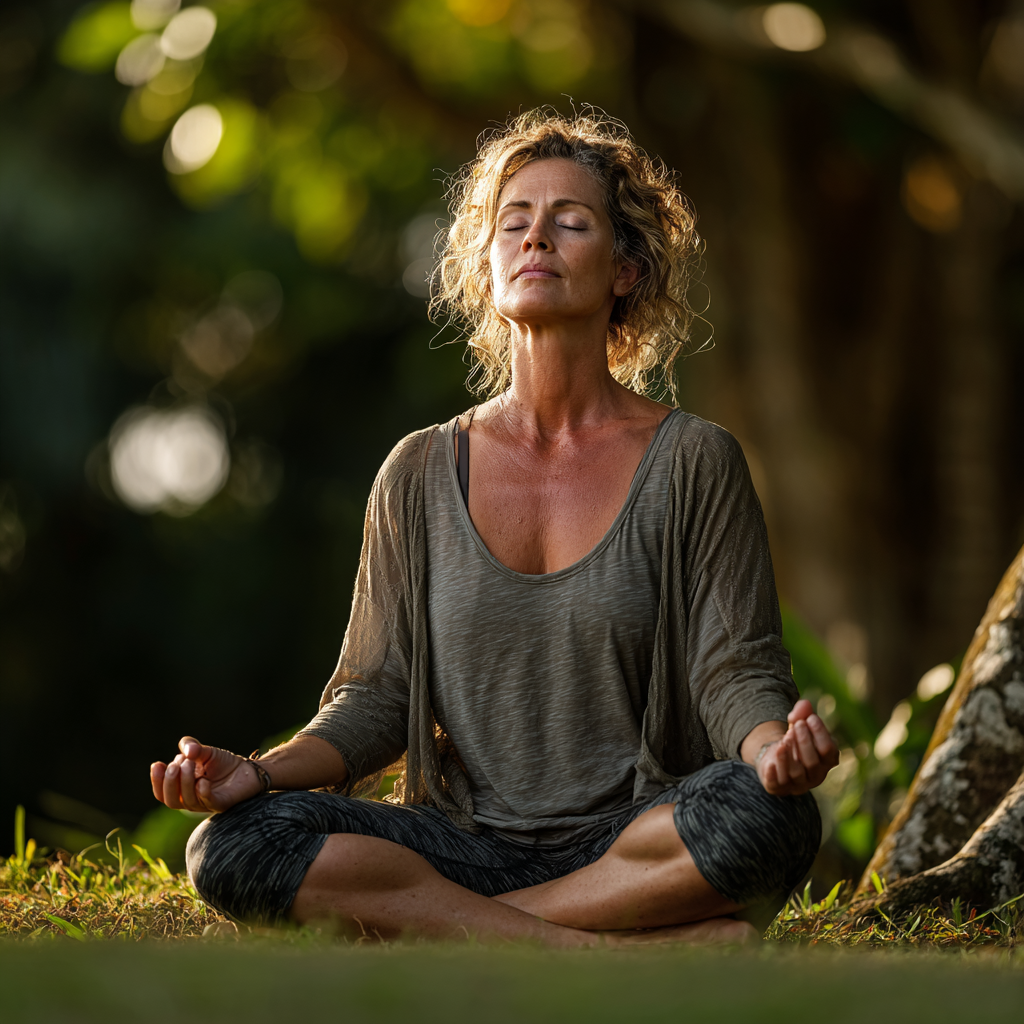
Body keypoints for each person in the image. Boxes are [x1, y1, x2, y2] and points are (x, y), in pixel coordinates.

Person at [150, 110, 838, 947]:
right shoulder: (418, 471)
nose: (536, 238)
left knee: (772, 818)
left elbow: (736, 670)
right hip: (461, 846)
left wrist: (772, 755)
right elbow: (372, 700)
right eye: (514, 222)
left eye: (570, 222)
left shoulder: (694, 461)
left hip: (635, 835)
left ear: (625, 269)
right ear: (489, 263)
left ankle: (453, 935)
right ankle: (607, 954)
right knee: (232, 845)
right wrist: (254, 774)